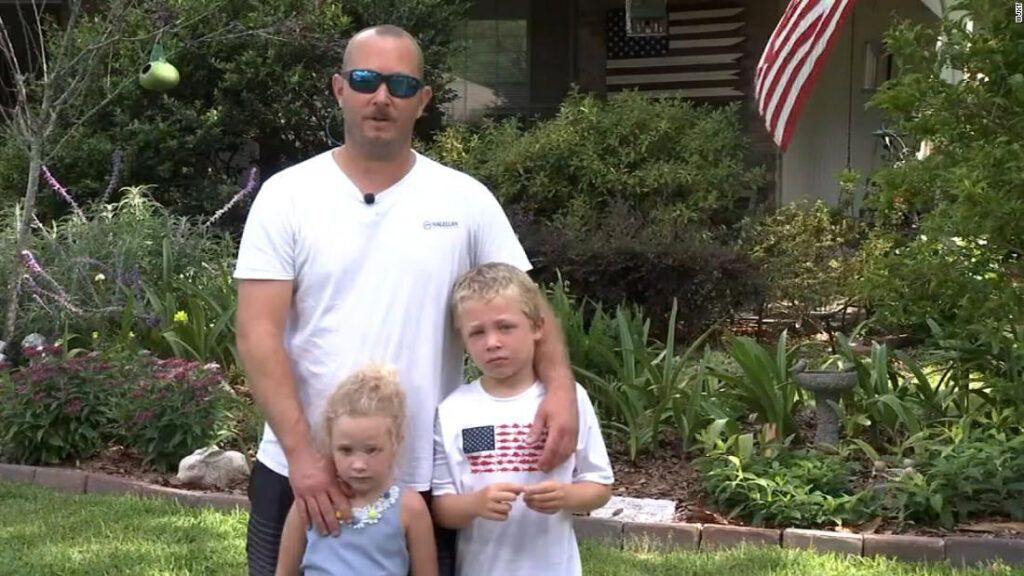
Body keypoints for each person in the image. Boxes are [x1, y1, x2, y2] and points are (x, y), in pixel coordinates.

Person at [234, 24, 579, 576]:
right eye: (365, 79)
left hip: (426, 475)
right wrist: (304, 457)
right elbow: (257, 333)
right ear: (339, 88)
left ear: (422, 101)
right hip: (303, 472)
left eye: (399, 84)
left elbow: (528, 310)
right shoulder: (288, 196)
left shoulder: (466, 200)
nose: (380, 97)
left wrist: (560, 390)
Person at [432, 263, 614, 576]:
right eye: (477, 332)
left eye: (505, 327)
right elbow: (442, 508)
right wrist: (475, 504)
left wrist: (566, 496)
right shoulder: (453, 411)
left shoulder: (569, 401)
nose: (492, 342)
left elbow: (599, 485)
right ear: (462, 341)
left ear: (537, 327)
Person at [276, 364, 438, 576]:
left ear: (396, 442)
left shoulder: (410, 508)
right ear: (330, 444)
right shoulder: (312, 503)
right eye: (346, 450)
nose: (359, 465)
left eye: (371, 450)